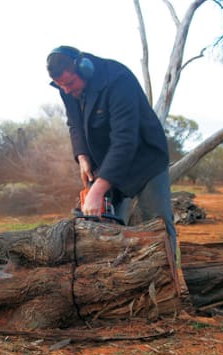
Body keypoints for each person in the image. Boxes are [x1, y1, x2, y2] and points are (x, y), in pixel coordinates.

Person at [46, 45, 177, 257]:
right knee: (111, 227)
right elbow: (75, 124)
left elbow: (125, 139)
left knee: (157, 224)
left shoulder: (118, 80)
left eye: (69, 83)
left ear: (84, 69)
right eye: (62, 86)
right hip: (108, 163)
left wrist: (98, 189)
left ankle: (173, 276)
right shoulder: (68, 88)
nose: (67, 90)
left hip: (144, 160)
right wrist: (82, 157)